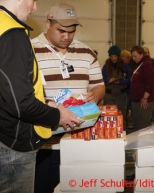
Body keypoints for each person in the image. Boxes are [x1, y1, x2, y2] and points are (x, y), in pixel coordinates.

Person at [0, 1, 81, 192]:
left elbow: (8, 90)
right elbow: (21, 104)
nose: (34, 7)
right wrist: (58, 116)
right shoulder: (12, 34)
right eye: (32, 0)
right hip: (14, 147)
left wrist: (44, 104)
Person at [32, 3, 105, 192]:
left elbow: (99, 86)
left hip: (80, 141)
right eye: (61, 31)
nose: (67, 37)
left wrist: (95, 95)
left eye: (71, 32)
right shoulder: (30, 51)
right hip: (44, 145)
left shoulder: (87, 53)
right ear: (47, 23)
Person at [102, 45, 130, 125]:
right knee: (108, 117)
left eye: (115, 56)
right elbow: (102, 79)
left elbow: (130, 79)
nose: (113, 58)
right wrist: (108, 81)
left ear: (118, 56)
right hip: (109, 95)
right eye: (111, 56)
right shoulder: (106, 66)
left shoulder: (124, 65)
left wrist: (121, 82)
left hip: (121, 95)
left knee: (121, 116)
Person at [130, 46, 154, 130]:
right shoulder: (138, 65)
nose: (134, 58)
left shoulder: (147, 65)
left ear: (141, 54)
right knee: (137, 124)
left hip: (144, 101)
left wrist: (145, 98)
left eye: (135, 56)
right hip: (136, 100)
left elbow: (151, 83)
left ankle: (145, 143)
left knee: (143, 125)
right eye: (132, 56)